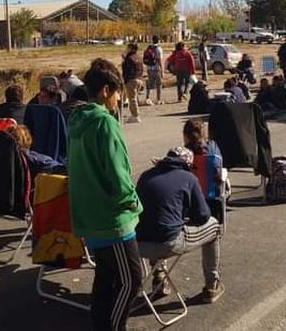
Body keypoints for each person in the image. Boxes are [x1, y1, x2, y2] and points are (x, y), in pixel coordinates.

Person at [67, 58, 143, 331]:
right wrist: (133, 203)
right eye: (118, 92)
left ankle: (101, 323)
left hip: (88, 215)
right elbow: (118, 173)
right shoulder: (104, 123)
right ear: (106, 91)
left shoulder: (75, 119)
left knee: (106, 276)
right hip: (112, 219)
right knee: (132, 279)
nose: (120, 98)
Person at [135, 146, 225, 304]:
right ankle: (212, 285)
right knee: (214, 226)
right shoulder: (188, 178)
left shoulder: (145, 176)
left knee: (157, 223)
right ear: (188, 165)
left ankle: (160, 279)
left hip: (138, 244)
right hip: (168, 243)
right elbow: (203, 215)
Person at [122, 43, 144, 123]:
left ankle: (135, 115)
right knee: (134, 97)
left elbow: (127, 70)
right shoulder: (139, 57)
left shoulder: (129, 58)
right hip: (139, 78)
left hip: (131, 79)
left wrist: (125, 80)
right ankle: (134, 114)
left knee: (132, 98)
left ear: (130, 48)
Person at [144, 35, 165, 106]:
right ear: (158, 40)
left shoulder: (149, 48)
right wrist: (162, 70)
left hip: (149, 69)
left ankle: (148, 98)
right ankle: (158, 99)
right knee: (159, 85)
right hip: (157, 69)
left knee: (150, 84)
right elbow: (159, 60)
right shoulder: (159, 49)